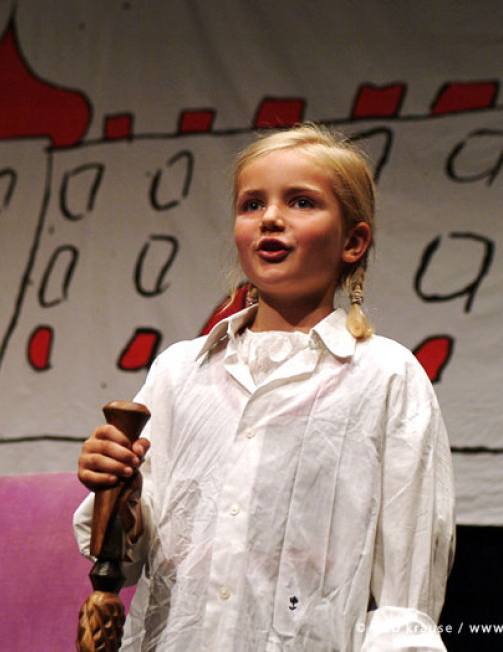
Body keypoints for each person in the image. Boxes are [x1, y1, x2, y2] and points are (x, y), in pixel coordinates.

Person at [75, 123, 455, 651]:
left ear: (353, 241)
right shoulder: (181, 371)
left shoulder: (386, 377)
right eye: (252, 204)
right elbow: (135, 556)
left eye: (300, 201)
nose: (270, 217)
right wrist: (119, 490)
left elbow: (404, 589)